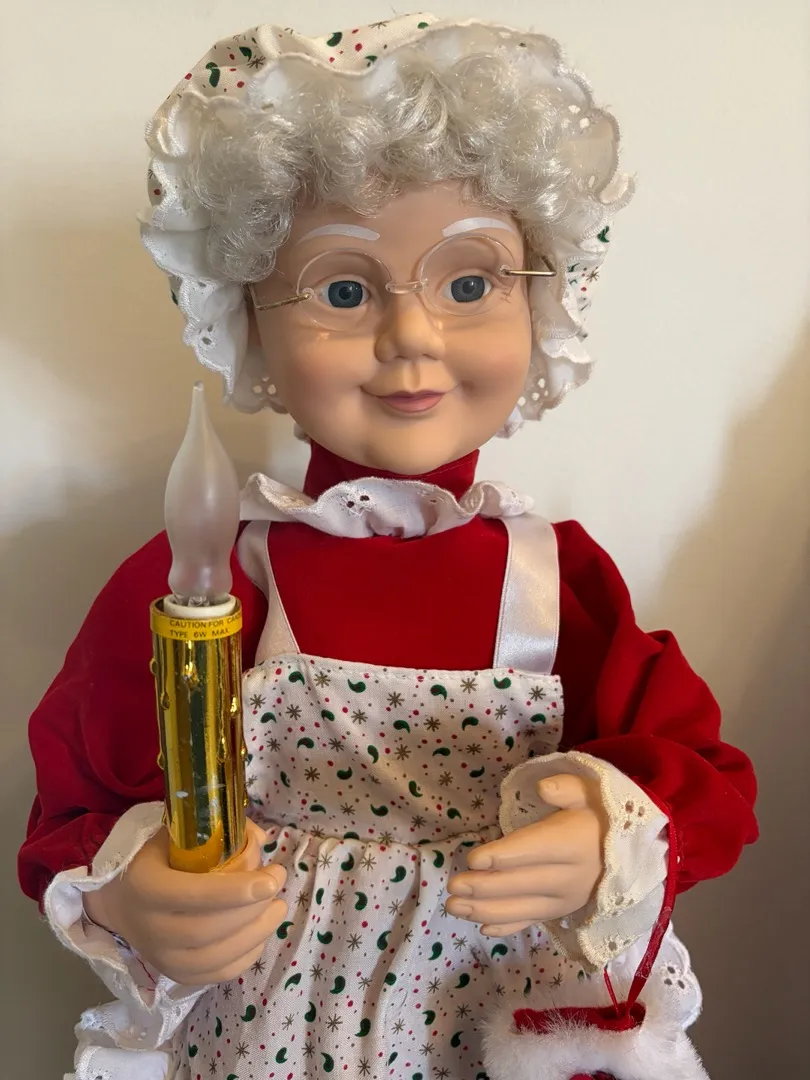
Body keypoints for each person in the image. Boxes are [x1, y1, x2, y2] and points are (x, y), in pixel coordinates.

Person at [19, 14, 757, 1080]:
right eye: (344, 290)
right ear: (248, 318)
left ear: (542, 296)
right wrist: (135, 892)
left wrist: (607, 835)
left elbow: (702, 776)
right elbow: (78, 798)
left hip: (492, 1017)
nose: (413, 336)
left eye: (471, 282)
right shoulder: (215, 572)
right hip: (273, 1027)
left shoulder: (555, 578)